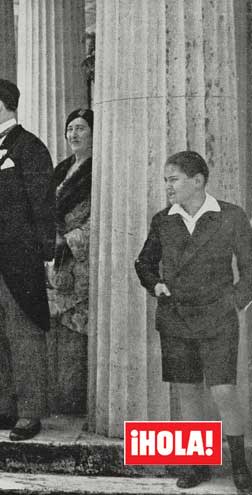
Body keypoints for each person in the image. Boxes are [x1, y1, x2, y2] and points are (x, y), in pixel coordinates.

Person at [135, 151, 252, 492]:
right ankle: (198, 465)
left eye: (173, 179)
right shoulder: (163, 220)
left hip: (218, 318)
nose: (167, 186)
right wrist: (154, 284)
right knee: (187, 393)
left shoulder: (230, 216)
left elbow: (250, 268)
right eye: (166, 180)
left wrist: (236, 302)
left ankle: (240, 467)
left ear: (197, 181)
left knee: (223, 391)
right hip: (176, 316)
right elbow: (144, 262)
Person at [0, 78, 55, 441]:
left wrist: (44, 259)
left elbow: (43, 206)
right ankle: (7, 407)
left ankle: (30, 414)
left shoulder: (30, 147)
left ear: (0, 107)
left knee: (23, 334)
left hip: (20, 260)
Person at [45, 109, 93, 414]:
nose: (74, 134)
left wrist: (70, 239)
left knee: (77, 329)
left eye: (81, 128)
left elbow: (101, 218)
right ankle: (59, 399)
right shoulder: (63, 168)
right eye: (70, 128)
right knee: (56, 329)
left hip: (80, 260)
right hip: (55, 259)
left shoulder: (98, 169)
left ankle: (75, 400)